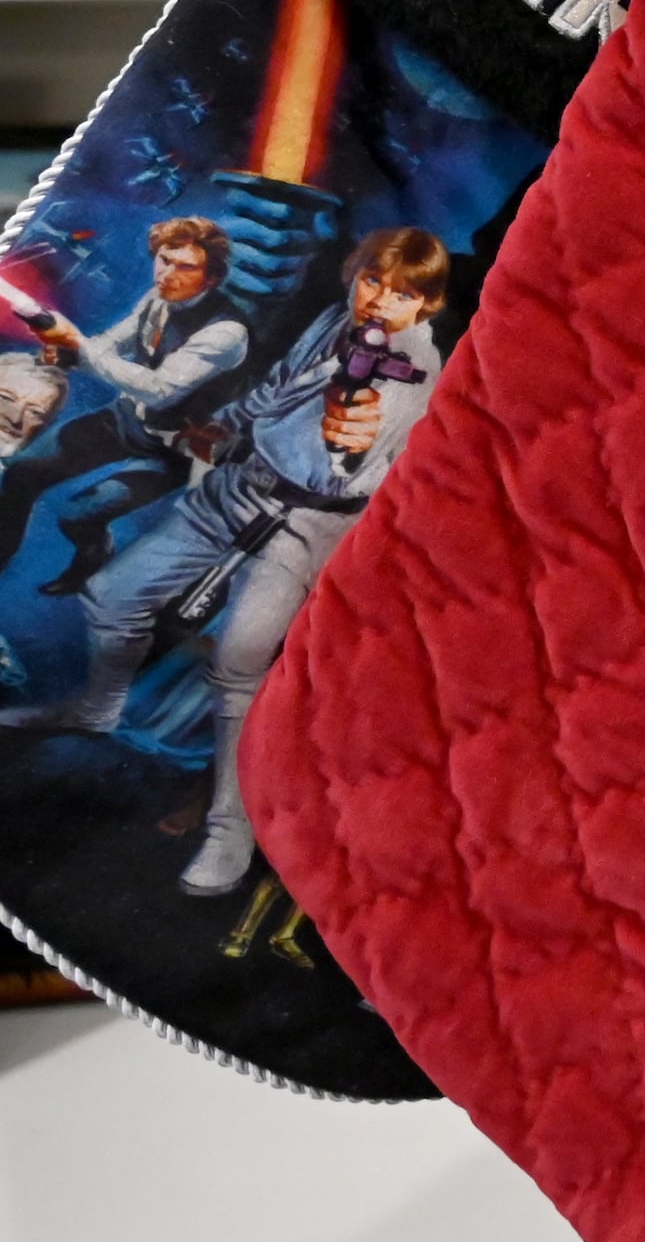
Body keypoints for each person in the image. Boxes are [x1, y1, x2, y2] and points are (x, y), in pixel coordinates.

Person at [18, 227, 449, 896]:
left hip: (308, 524)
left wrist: (348, 437)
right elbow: (278, 388)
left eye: (402, 296)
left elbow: (359, 460)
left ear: (426, 307)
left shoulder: (414, 373)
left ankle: (231, 831)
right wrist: (232, 426)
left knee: (238, 666)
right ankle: (97, 707)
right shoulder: (338, 321)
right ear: (354, 274)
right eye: (373, 281)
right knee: (111, 595)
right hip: (238, 484)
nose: (380, 302)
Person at [0, 217, 251, 591]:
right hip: (124, 420)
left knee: (77, 516)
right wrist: (72, 352)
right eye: (165, 260)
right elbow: (113, 344)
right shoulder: (157, 299)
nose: (168, 274)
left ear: (212, 278)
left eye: (186, 267)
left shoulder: (226, 333)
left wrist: (80, 349)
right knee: (22, 473)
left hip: (172, 450)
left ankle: (92, 557)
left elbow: (160, 389)